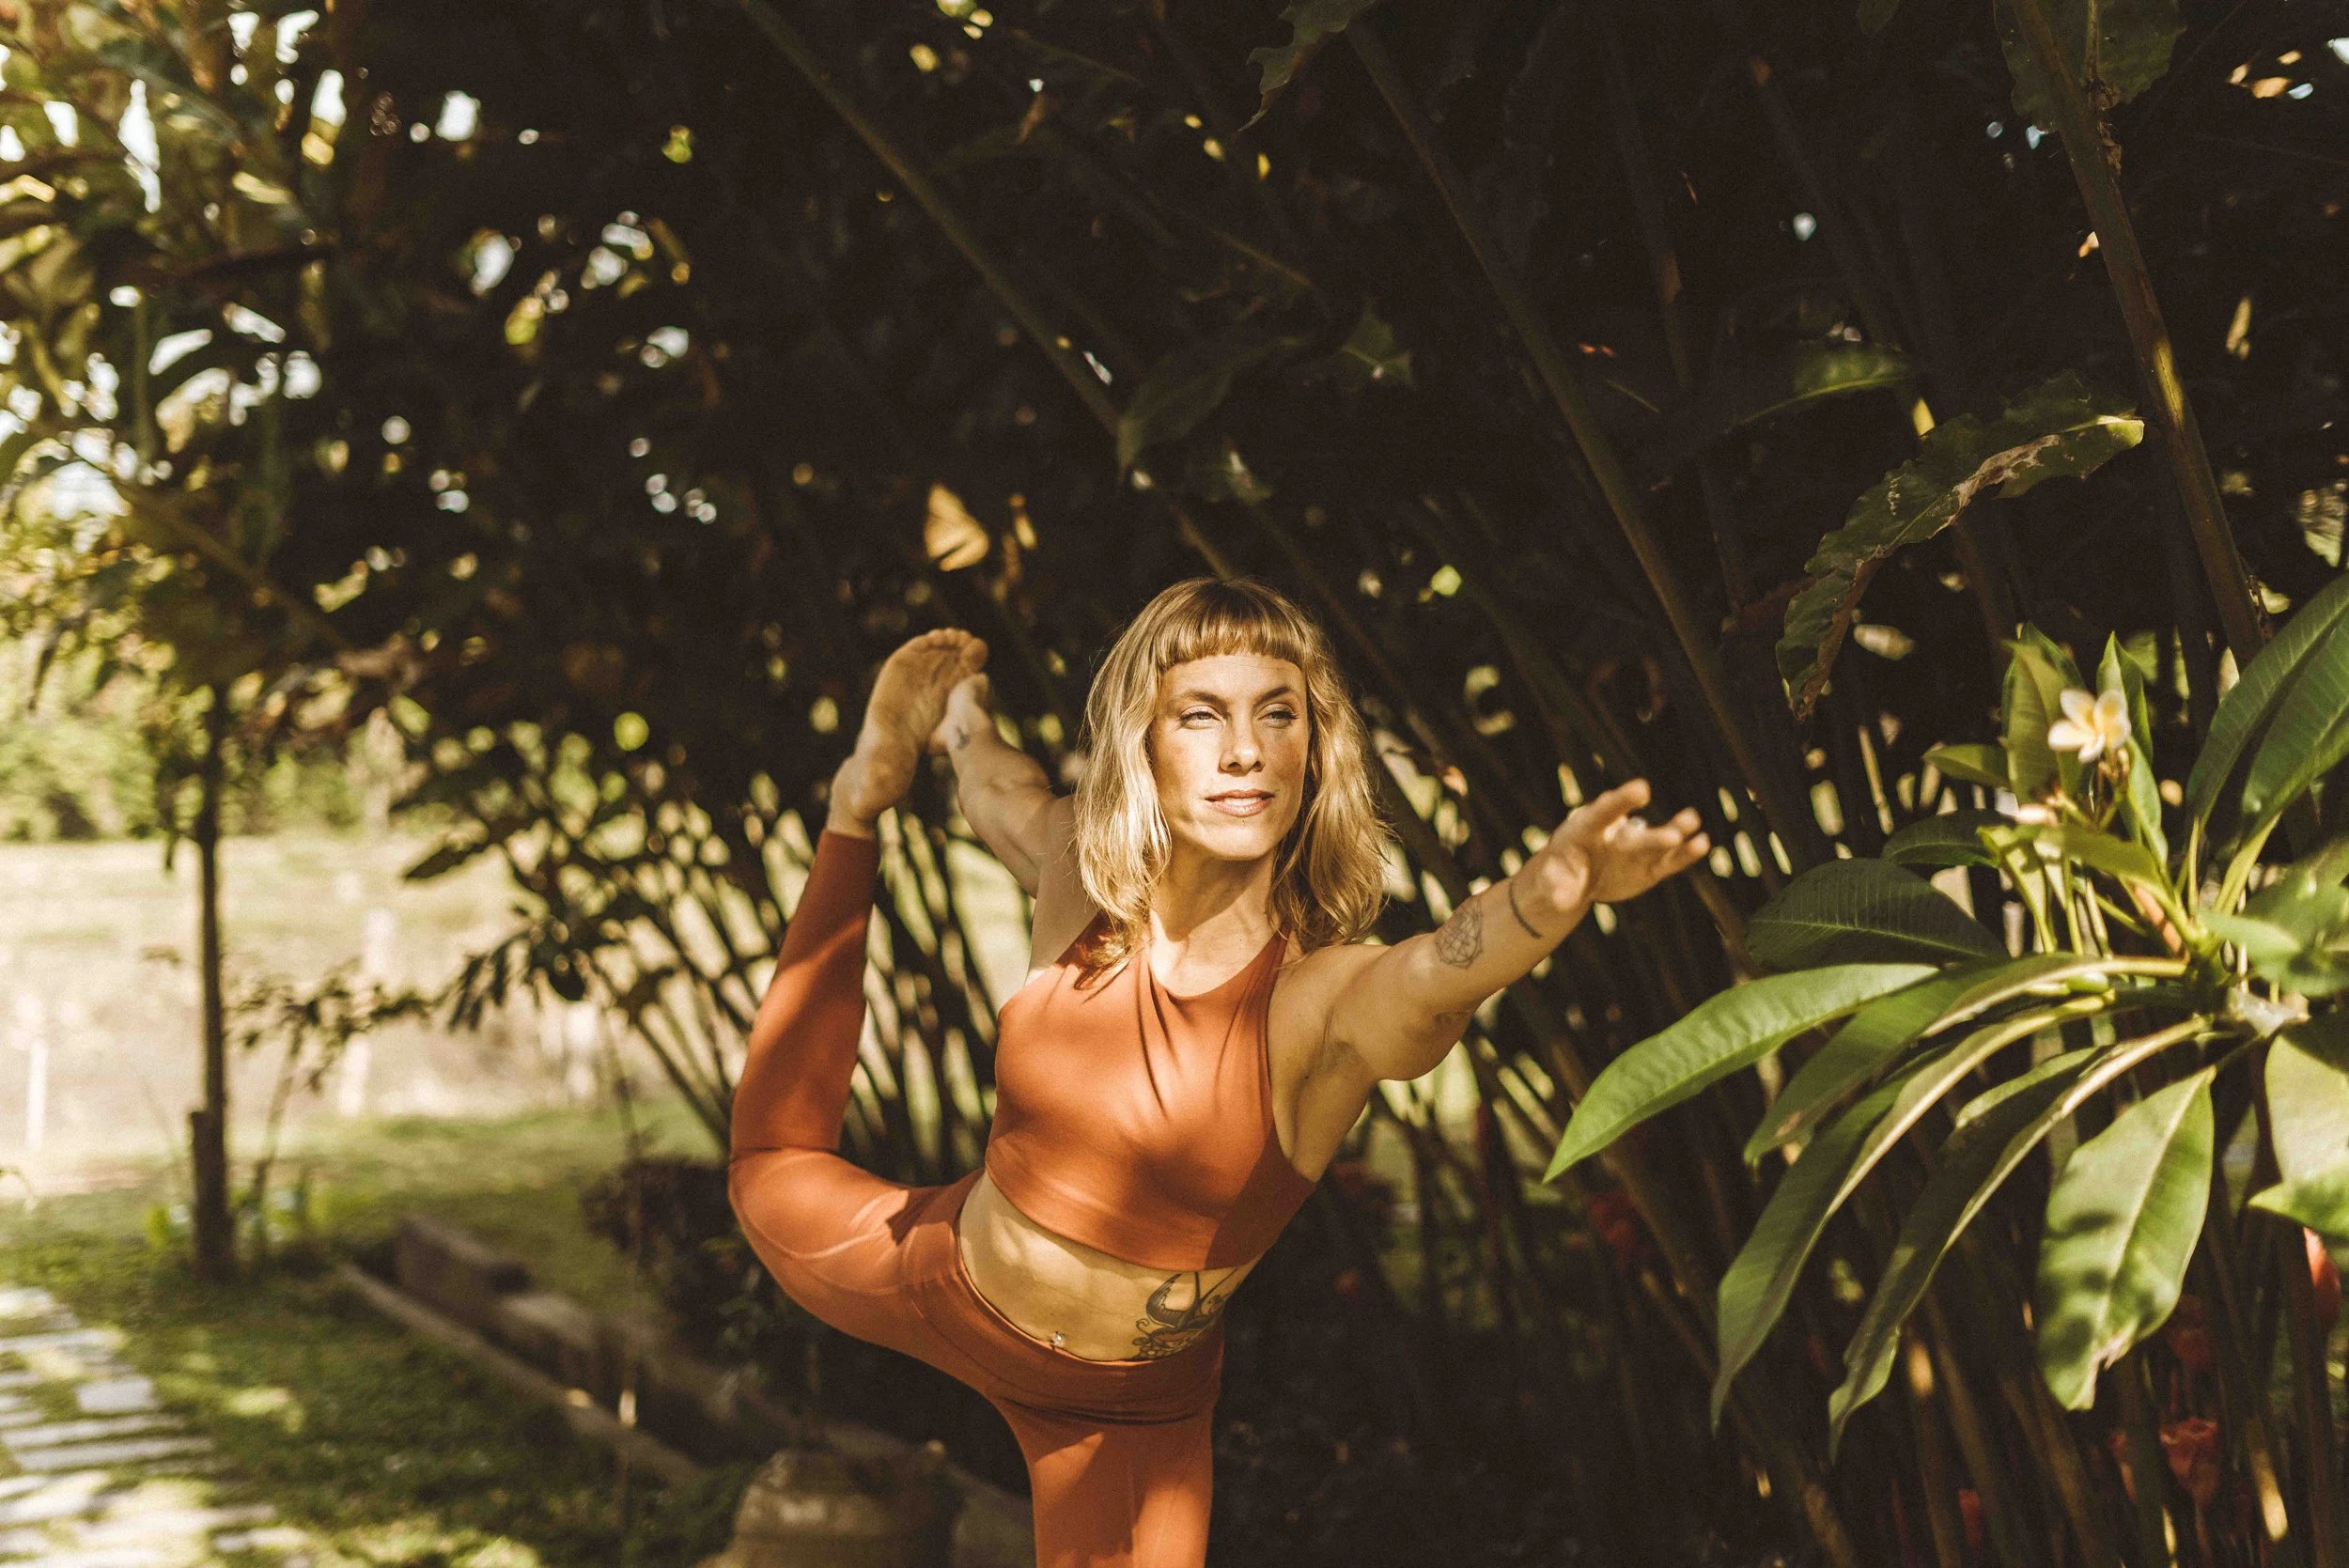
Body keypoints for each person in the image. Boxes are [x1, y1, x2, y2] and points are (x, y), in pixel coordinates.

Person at [728, 577, 1709, 1568]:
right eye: (1201, 716)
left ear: (1312, 750)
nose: (1245, 750)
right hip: (939, 1277)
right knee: (767, 1159)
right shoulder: (1079, 873)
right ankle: (855, 801)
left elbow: (1429, 976)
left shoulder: (1318, 1002)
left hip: (1126, 1416)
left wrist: (1549, 895)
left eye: (1276, 714)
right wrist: (960, 721)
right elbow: (999, 794)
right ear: (1141, 746)